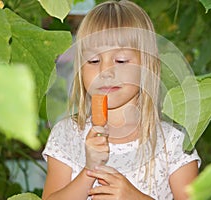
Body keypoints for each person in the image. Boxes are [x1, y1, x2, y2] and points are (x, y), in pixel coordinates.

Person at [42, 0, 200, 199]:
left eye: (121, 60)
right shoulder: (67, 135)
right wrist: (89, 171)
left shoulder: (174, 142)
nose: (106, 71)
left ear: (148, 67)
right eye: (93, 61)